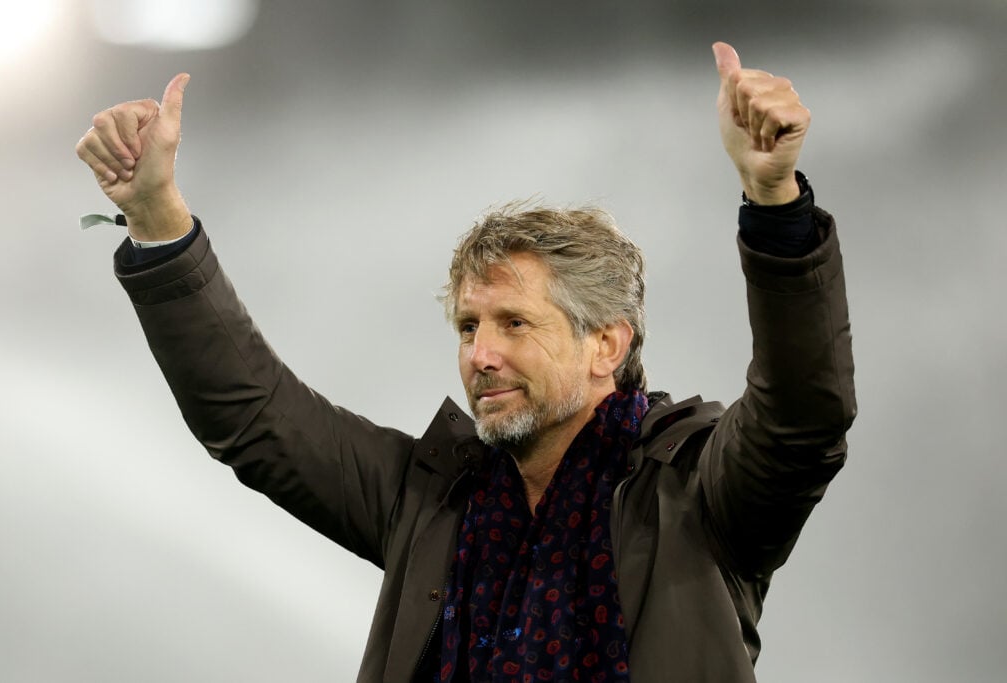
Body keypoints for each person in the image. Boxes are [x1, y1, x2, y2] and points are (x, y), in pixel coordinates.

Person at [76, 41, 856, 682]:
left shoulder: (698, 490)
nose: (480, 354)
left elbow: (803, 415)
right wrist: (155, 217)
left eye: (515, 322)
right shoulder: (429, 499)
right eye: (468, 326)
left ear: (607, 344)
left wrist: (776, 201)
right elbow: (251, 413)